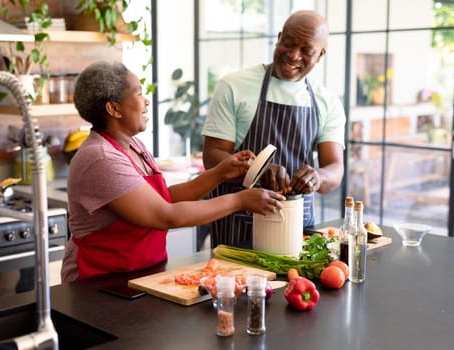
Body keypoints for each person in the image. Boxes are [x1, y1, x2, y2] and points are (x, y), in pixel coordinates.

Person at [61, 61, 283, 283]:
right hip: (98, 281)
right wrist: (240, 201)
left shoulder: (134, 146)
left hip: (140, 273)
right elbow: (165, 215)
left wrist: (219, 173)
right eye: (138, 93)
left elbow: (163, 198)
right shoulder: (102, 157)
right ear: (114, 108)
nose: (146, 101)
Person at [201, 10, 346, 248]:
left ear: (320, 55)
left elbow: (335, 171)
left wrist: (318, 177)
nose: (293, 55)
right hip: (239, 228)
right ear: (278, 37)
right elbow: (212, 156)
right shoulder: (234, 85)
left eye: (306, 51)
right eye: (288, 43)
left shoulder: (326, 101)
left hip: (298, 227)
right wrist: (256, 170)